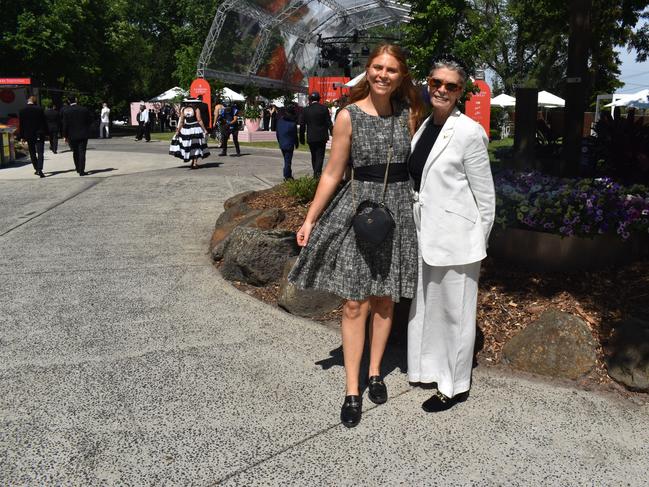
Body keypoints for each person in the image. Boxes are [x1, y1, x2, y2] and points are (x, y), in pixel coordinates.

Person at [288, 44, 424, 428]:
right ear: (368, 71)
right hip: (357, 211)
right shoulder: (348, 116)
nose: (383, 74)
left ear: (402, 76)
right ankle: (352, 389)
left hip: (397, 211)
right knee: (354, 302)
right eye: (377, 67)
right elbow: (332, 172)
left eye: (392, 69)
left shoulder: (409, 115)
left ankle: (376, 371)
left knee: (384, 299)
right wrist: (310, 219)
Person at [407, 55, 495, 412]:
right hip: (425, 233)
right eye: (436, 83)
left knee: (455, 314)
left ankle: (454, 385)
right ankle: (428, 368)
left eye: (450, 85)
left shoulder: (470, 133)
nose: (441, 89)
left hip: (459, 239)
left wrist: (477, 242)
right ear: (428, 84)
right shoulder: (425, 125)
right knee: (428, 307)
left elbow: (486, 197)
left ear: (461, 91)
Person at [299, 91, 333, 177]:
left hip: (311, 136)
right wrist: (333, 133)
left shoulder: (306, 110)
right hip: (322, 136)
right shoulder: (324, 109)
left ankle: (316, 172)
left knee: (313, 155)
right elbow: (329, 123)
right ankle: (317, 174)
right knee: (320, 156)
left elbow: (302, 125)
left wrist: (301, 137)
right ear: (319, 99)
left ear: (310, 99)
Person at [169, 99, 210, 168]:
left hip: (186, 129)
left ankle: (192, 161)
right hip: (195, 128)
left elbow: (181, 121)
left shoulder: (183, 109)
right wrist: (204, 129)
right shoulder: (196, 109)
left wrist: (178, 130)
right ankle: (194, 162)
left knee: (189, 145)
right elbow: (199, 119)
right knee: (196, 145)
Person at [18, 95, 48, 178]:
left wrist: (22, 136)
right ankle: (40, 168)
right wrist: (46, 133)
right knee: (40, 152)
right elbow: (44, 122)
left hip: (28, 134)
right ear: (35, 101)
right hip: (39, 133)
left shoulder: (22, 110)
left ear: (28, 100)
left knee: (32, 152)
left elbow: (21, 125)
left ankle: (36, 168)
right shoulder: (40, 109)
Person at [62, 96, 93, 176]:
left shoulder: (66, 111)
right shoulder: (84, 109)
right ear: (76, 100)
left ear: (69, 101)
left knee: (75, 152)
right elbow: (89, 121)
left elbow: (65, 125)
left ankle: (78, 168)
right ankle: (82, 170)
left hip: (72, 135)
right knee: (82, 152)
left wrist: (65, 135)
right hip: (83, 134)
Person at [275, 103, 299, 180]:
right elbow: (295, 135)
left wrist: (279, 141)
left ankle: (288, 174)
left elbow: (277, 133)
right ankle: (287, 176)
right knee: (288, 161)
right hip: (289, 144)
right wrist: (296, 143)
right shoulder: (292, 123)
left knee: (286, 160)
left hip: (282, 143)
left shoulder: (280, 121)